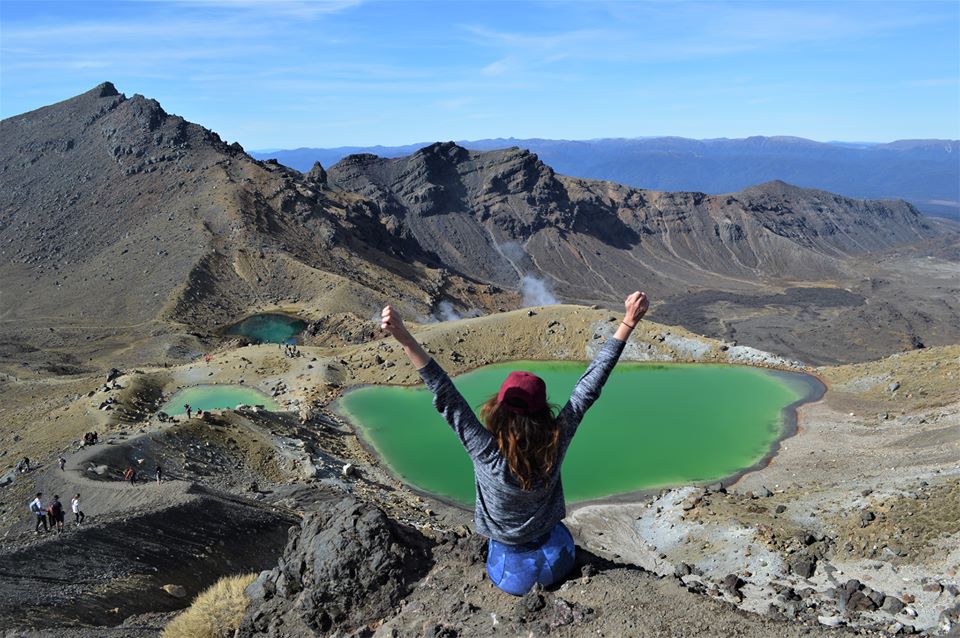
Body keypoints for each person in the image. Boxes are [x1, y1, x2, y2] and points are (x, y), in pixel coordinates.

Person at [379, 291, 649, 596]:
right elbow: (589, 386)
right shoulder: (556, 439)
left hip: (510, 573)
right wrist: (628, 321)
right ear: (543, 409)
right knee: (558, 534)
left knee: (502, 549)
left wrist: (405, 339)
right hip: (559, 559)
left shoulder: (485, 451)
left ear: (498, 409)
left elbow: (445, 395)